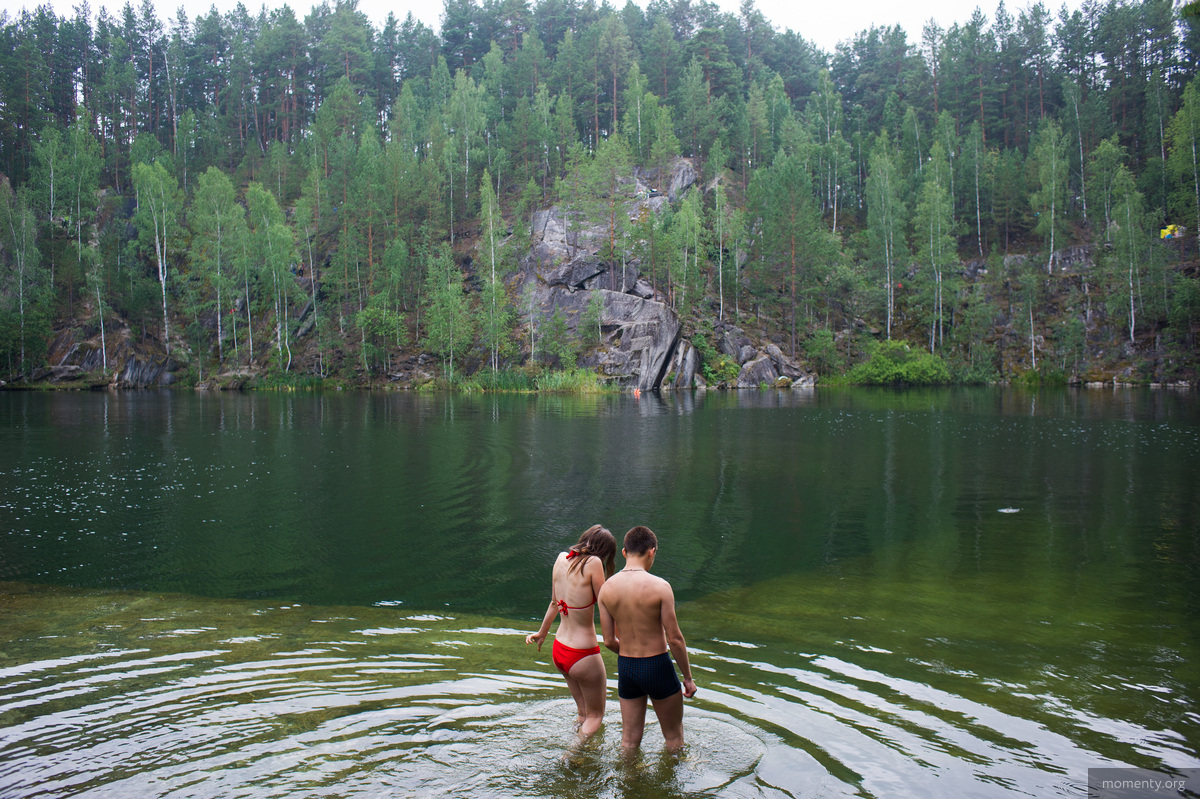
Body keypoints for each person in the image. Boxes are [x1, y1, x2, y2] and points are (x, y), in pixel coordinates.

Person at [597, 525, 697, 754]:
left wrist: (630, 654)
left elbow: (609, 641)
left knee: (629, 742)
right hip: (657, 666)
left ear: (624, 552)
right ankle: (673, 777)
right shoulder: (660, 587)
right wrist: (688, 678)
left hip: (627, 667)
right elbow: (675, 639)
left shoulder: (606, 589)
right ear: (652, 552)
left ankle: (627, 776)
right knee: (674, 739)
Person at [525, 524, 616, 740]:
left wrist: (542, 633)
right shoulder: (594, 563)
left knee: (583, 714)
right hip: (582, 654)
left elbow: (554, 603)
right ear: (604, 551)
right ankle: (571, 754)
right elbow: (605, 603)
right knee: (595, 716)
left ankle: (579, 746)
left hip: (560, 650)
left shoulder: (560, 559)